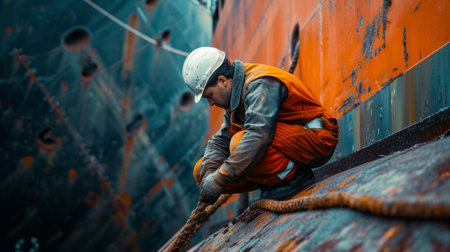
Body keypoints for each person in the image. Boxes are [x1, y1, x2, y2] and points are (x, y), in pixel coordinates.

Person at [182, 47, 339, 204]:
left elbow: (258, 135)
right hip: (290, 142)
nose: (210, 103)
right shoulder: (233, 97)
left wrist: (219, 179)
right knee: (200, 171)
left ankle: (293, 178)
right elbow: (221, 140)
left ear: (222, 81)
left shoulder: (260, 84)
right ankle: (273, 181)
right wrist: (210, 175)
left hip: (318, 139)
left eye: (209, 95)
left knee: (239, 143)